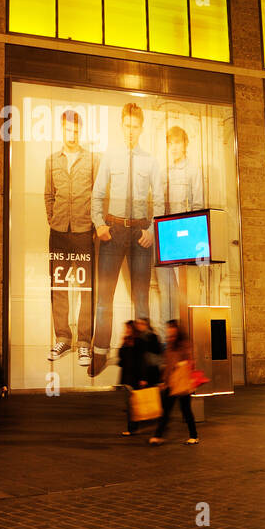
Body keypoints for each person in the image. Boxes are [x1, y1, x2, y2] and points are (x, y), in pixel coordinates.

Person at [90, 102, 162, 377]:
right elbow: (97, 194)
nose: (131, 131)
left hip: (140, 234)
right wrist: (100, 225)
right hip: (113, 231)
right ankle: (99, 352)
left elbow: (161, 200)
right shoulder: (110, 156)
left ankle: (143, 357)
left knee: (141, 298)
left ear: (141, 128)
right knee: (104, 297)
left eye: (135, 126)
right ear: (122, 126)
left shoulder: (151, 161)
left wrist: (152, 231)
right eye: (127, 126)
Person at [45, 109, 99, 363]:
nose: (72, 134)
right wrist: (53, 218)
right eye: (68, 129)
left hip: (83, 232)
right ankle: (62, 340)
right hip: (58, 233)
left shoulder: (91, 160)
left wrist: (92, 222)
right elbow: (48, 195)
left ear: (81, 130)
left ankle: (85, 343)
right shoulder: (51, 160)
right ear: (62, 129)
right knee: (59, 286)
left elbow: (99, 195)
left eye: (76, 130)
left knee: (86, 288)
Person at [157, 125, 204, 324]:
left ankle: (187, 335)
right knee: (166, 290)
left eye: (178, 142)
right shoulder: (164, 172)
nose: (174, 147)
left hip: (184, 238)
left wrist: (190, 236)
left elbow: (198, 205)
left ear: (185, 144)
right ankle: (168, 340)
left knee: (185, 290)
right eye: (171, 143)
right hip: (165, 237)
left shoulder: (193, 170)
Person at [150, 320, 199, 445]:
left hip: (181, 382)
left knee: (186, 410)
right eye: (168, 328)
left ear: (177, 329)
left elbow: (190, 360)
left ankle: (194, 436)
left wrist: (181, 364)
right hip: (170, 382)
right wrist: (163, 381)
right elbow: (167, 365)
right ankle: (158, 435)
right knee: (166, 410)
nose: (169, 330)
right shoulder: (169, 344)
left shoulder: (184, 344)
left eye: (171, 328)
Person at [118, 319, 162, 435]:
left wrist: (143, 378)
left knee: (135, 402)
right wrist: (124, 343)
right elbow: (121, 357)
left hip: (136, 376)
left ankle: (133, 427)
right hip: (127, 376)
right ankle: (132, 427)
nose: (126, 330)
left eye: (128, 328)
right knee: (130, 403)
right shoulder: (127, 341)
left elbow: (142, 361)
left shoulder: (139, 341)